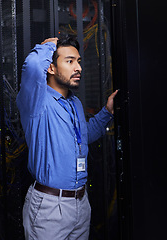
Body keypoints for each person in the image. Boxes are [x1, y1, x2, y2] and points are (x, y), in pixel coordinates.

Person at [16, 36, 118, 240]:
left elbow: (83, 138)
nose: (78, 67)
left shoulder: (74, 103)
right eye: (69, 61)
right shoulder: (36, 100)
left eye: (78, 61)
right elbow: (33, 66)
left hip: (80, 203)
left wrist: (107, 112)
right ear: (51, 68)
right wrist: (47, 46)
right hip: (50, 207)